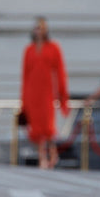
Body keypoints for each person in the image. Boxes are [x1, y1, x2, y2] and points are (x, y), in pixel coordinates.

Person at [20, 17, 69, 169]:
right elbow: (25, 75)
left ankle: (53, 154)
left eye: (41, 28)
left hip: (47, 91)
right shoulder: (29, 49)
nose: (38, 31)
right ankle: (42, 157)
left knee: (48, 126)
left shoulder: (54, 48)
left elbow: (60, 72)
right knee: (36, 128)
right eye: (36, 28)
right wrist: (23, 101)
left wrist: (62, 95)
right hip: (32, 92)